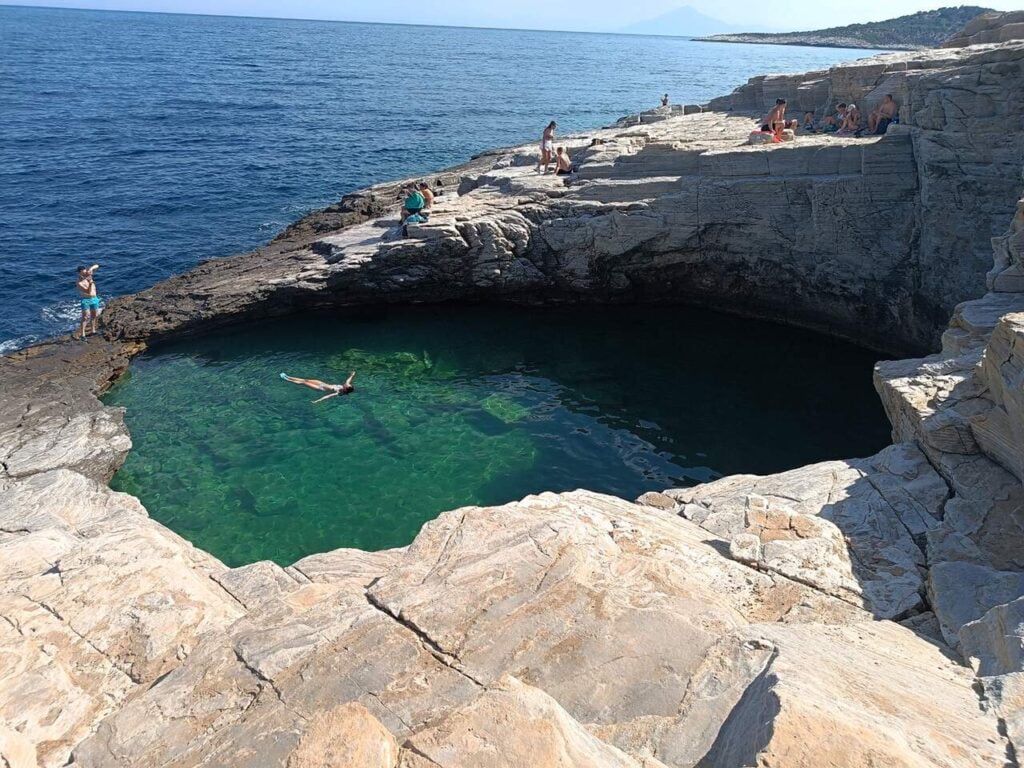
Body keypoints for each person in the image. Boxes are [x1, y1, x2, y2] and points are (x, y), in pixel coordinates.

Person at [280, 371, 355, 403]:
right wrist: (352, 375)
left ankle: (287, 379)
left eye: (347, 385)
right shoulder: (345, 386)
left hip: (319, 388)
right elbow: (348, 380)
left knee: (303, 382)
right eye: (348, 384)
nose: (347, 383)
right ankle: (288, 376)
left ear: (346, 388)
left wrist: (318, 401)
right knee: (305, 380)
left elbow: (328, 396)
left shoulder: (339, 392)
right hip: (322, 383)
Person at [75, 264, 101, 340]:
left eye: (83, 271)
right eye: (80, 272)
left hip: (94, 298)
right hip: (86, 300)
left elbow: (97, 265)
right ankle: (82, 335)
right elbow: (88, 292)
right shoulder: (79, 282)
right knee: (85, 317)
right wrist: (90, 282)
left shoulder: (88, 273)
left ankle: (93, 331)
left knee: (94, 315)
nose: (81, 274)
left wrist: (91, 269)